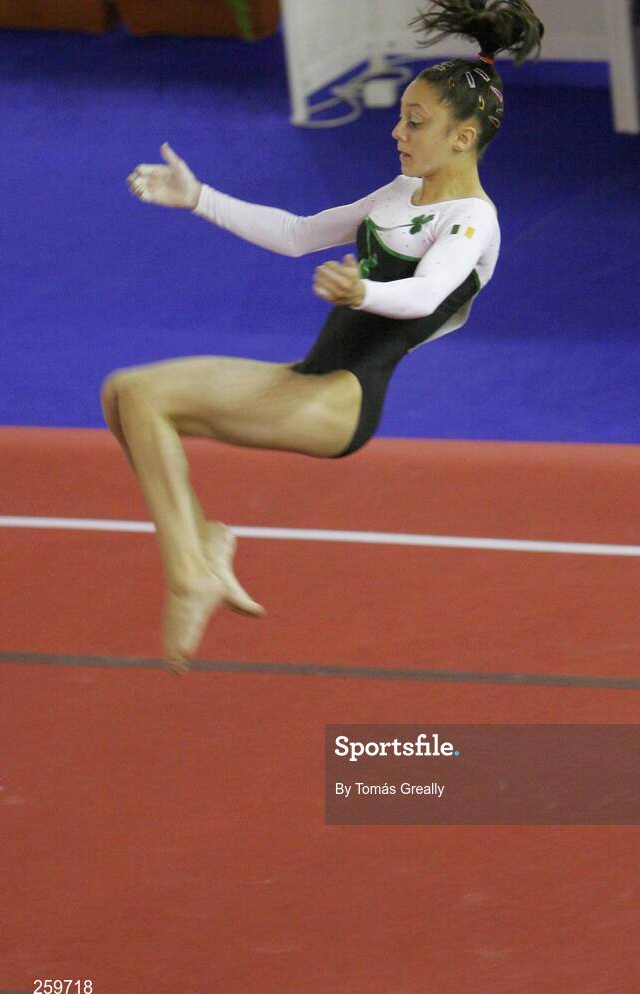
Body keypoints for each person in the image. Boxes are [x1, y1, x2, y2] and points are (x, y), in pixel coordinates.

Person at [103, 0, 543, 673]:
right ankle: (204, 546)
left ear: (463, 137)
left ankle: (190, 572)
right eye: (402, 116)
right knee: (124, 394)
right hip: (309, 375)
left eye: (415, 121)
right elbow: (298, 233)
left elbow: (427, 293)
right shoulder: (400, 192)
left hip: (345, 397)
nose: (397, 130)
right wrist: (198, 197)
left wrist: (363, 293)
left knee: (145, 401)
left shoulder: (471, 220)